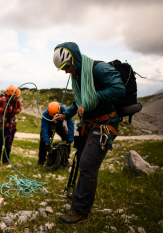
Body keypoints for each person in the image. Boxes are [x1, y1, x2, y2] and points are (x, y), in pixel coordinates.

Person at [52, 42, 126, 224]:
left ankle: (80, 211)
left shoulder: (99, 69)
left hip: (106, 123)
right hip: (90, 124)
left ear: (74, 59)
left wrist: (94, 98)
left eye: (67, 66)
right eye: (62, 69)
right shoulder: (78, 75)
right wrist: (66, 114)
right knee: (82, 160)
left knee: (87, 164)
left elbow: (119, 89)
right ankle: (79, 198)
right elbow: (80, 100)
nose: (66, 71)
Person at [0, 86, 22, 165]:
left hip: (11, 127)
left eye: (18, 97)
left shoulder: (17, 101)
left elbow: (20, 107)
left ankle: (6, 161)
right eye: (15, 96)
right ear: (10, 95)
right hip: (1, 126)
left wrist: (18, 110)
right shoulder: (2, 100)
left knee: (8, 145)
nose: (17, 98)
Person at [36, 101, 74, 167]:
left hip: (59, 125)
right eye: (52, 116)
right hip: (49, 126)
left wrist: (70, 139)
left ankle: (65, 160)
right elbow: (44, 128)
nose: (53, 117)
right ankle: (41, 161)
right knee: (43, 141)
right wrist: (47, 143)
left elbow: (70, 123)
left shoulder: (65, 110)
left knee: (66, 139)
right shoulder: (45, 114)